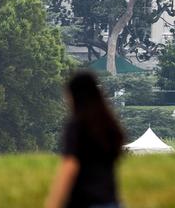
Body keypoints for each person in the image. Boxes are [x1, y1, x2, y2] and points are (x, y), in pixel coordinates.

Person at [45, 72, 125, 208]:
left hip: (84, 202)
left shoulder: (77, 125)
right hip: (111, 201)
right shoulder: (109, 126)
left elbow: (70, 165)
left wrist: (53, 203)